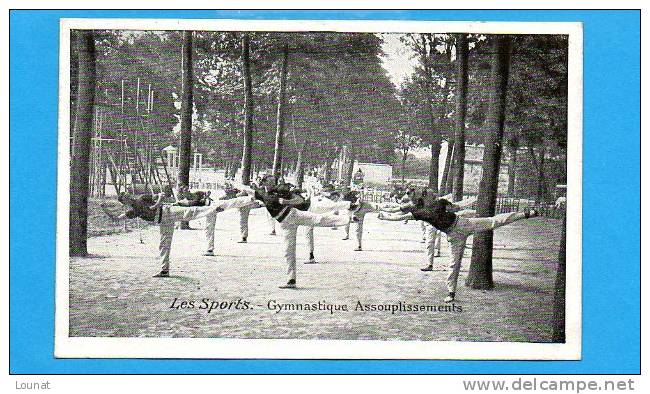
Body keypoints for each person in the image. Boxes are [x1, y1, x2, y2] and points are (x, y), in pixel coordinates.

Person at [378, 193, 538, 303]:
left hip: (461, 225)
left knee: (491, 224)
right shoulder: (422, 211)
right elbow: (401, 216)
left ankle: (525, 214)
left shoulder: (432, 206)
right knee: (456, 261)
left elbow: (455, 207)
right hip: (456, 232)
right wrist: (386, 217)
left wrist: (387, 217)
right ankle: (451, 292)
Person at [102, 189, 255, 277]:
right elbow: (117, 219)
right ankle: (164, 270)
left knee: (194, 211)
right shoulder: (132, 211)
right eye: (126, 199)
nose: (129, 198)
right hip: (163, 221)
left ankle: (232, 203)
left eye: (128, 196)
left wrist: (157, 201)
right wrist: (106, 211)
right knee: (164, 245)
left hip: (168, 211)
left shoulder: (142, 198)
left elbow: (159, 199)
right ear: (125, 202)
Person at [247, 182, 352, 289]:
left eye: (271, 182)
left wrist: (287, 201)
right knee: (288, 251)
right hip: (284, 223)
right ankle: (291, 280)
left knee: (317, 219)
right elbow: (247, 189)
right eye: (267, 182)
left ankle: (348, 219)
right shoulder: (262, 194)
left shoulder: (280, 190)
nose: (269, 185)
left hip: (294, 214)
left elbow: (300, 200)